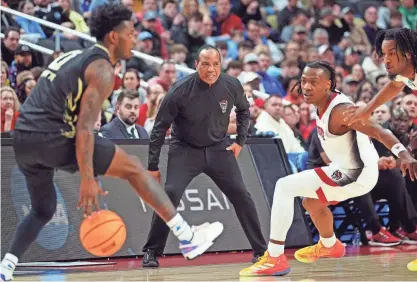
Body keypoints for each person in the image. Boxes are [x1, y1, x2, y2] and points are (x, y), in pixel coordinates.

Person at [0, 4, 224, 281]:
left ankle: (6, 266)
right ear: (114, 37)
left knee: (43, 208)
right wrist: (88, 179)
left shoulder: (75, 56)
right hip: (52, 136)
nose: (136, 38)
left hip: (23, 140)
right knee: (132, 168)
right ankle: (186, 235)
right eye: (131, 33)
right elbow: (84, 128)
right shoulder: (102, 70)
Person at [239, 61, 417, 277]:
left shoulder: (341, 110)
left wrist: (404, 154)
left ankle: (275, 257)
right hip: (346, 168)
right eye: (304, 81)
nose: (306, 87)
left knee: (284, 186)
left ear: (329, 84)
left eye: (314, 82)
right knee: (311, 203)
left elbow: (379, 131)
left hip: (355, 173)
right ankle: (330, 244)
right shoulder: (322, 100)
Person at [142, 45, 267, 267]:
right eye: (206, 64)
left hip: (219, 147)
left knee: (242, 194)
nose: (211, 69)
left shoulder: (231, 84)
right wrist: (152, 165)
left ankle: (261, 250)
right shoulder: (179, 91)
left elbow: (244, 110)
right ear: (196, 65)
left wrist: (240, 141)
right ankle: (152, 250)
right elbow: (159, 128)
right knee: (169, 193)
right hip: (185, 149)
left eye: (216, 64)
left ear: (221, 64)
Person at [343, 27, 417, 272]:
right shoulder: (407, 74)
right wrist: (367, 108)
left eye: (391, 53)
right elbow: (394, 86)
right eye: (382, 53)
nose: (385, 59)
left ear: (407, 53)